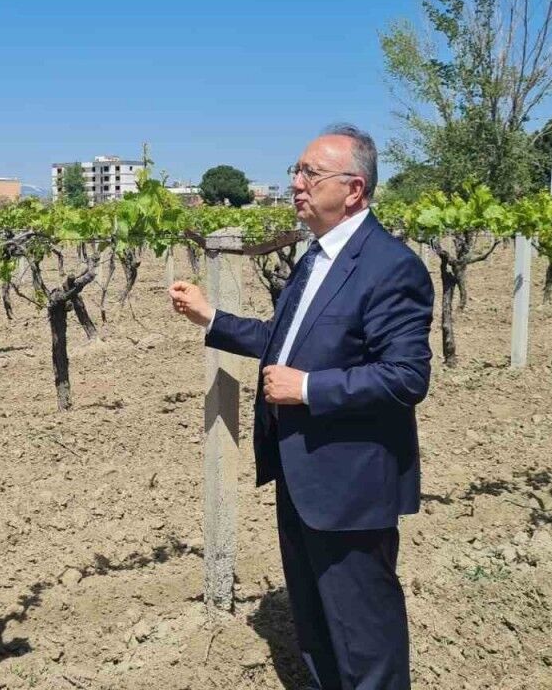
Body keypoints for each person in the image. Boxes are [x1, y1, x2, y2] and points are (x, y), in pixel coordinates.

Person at [169, 124, 433, 689]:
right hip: (301, 476)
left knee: (365, 638)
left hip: (351, 488)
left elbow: (407, 377)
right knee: (315, 630)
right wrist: (212, 319)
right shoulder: (315, 259)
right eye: (297, 170)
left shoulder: (390, 266)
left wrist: (308, 388)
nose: (296, 183)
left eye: (311, 173)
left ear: (354, 189)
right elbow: (283, 341)